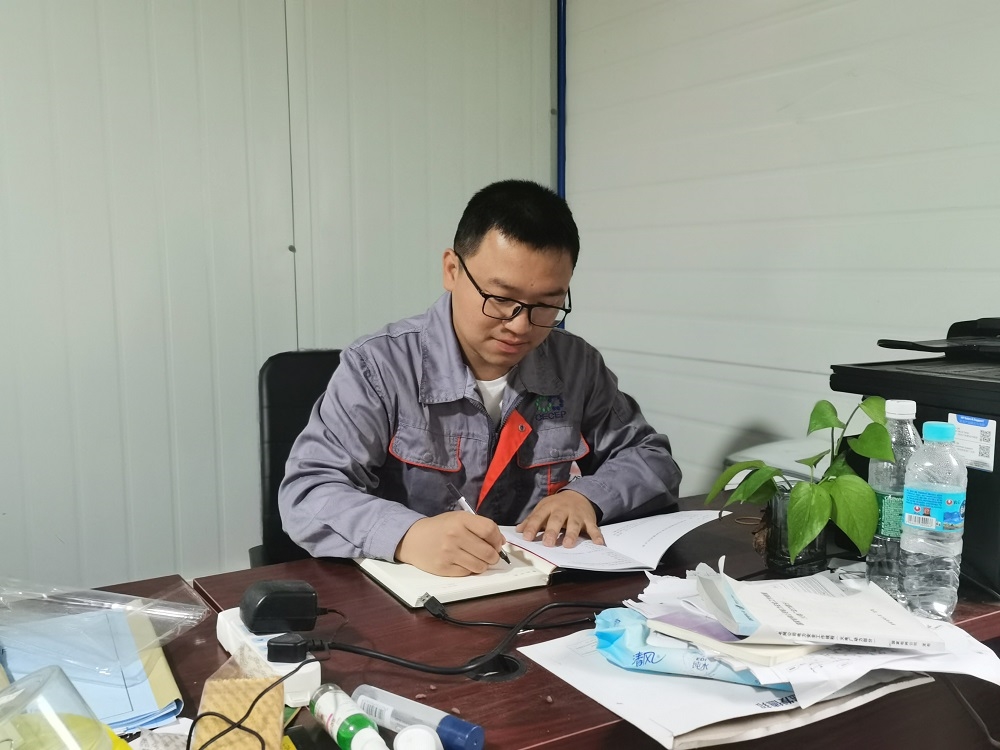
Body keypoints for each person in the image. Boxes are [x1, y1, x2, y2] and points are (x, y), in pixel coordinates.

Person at [279, 179, 681, 576]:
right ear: (452, 270)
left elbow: (651, 458)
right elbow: (309, 490)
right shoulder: (379, 367)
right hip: (420, 594)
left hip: (537, 586)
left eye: (547, 304)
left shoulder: (577, 365)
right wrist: (407, 536)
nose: (520, 326)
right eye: (501, 298)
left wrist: (587, 497)